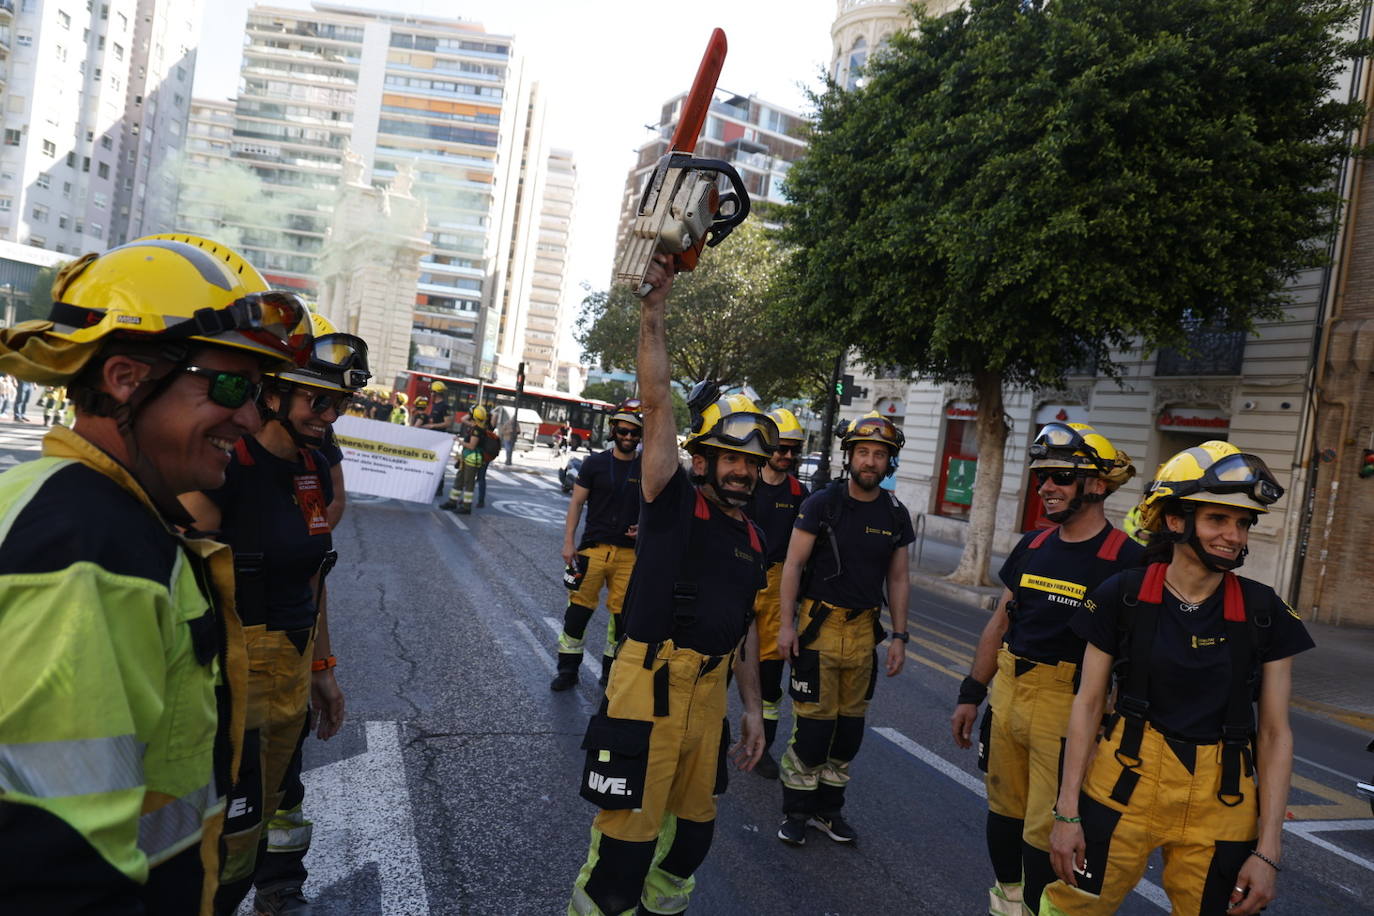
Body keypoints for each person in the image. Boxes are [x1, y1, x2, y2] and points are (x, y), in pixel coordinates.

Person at [0, 234, 310, 911]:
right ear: (125, 379)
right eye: (232, 385)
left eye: (259, 392)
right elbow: (56, 864)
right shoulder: (93, 552)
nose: (251, 417)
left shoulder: (80, 513)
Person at [569, 255, 767, 916]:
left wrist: (753, 710)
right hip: (648, 686)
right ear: (703, 458)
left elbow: (744, 632)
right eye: (731, 459)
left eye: (753, 464)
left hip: (709, 697)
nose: (742, 473)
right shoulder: (672, 497)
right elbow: (657, 401)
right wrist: (653, 312)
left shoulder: (753, 537)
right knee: (623, 853)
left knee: (691, 843)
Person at [1043, 441, 1311, 914]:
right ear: (1174, 520)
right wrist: (1066, 814)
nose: (1235, 535)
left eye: (1244, 523)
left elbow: (1274, 732)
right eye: (1219, 519)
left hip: (1223, 804)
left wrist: (1268, 851)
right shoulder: (1121, 595)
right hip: (1121, 784)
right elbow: (1087, 704)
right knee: (1070, 909)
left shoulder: (1266, 611)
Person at [180, 311, 367, 915]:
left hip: (289, 664)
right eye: (315, 400)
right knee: (224, 845)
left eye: (335, 406)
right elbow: (176, 571)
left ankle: (266, 886)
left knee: (266, 816)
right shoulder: (228, 465)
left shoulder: (311, 470)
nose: (326, 416)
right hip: (232, 676)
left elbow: (313, 572)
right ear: (274, 392)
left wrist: (323, 666)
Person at [948, 422, 1141, 915]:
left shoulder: (1127, 562)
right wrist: (972, 691)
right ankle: (1007, 903)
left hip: (1067, 707)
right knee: (1003, 812)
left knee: (1045, 827)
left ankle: (1034, 908)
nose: (1046, 488)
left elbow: (1137, 657)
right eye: (1042, 478)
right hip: (1009, 692)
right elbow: (1000, 621)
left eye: (1059, 477)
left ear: (1096, 484)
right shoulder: (1033, 545)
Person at [774, 413, 913, 847]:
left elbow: (899, 579)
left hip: (863, 634)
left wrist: (901, 637)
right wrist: (785, 625)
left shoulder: (895, 514)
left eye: (879, 454)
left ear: (888, 463)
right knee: (813, 731)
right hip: (819, 629)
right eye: (863, 452)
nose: (870, 461)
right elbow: (793, 565)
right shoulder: (822, 505)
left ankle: (828, 811)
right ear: (849, 456)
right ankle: (797, 812)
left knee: (848, 732)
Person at [550, 398, 644, 692]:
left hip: (629, 556)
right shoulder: (595, 463)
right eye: (623, 431)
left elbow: (660, 508)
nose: (628, 437)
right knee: (577, 612)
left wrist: (645, 528)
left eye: (634, 433)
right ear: (613, 430)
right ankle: (567, 671)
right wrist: (569, 543)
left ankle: (610, 674)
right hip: (591, 551)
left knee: (621, 620)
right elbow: (576, 503)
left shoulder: (647, 469)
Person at [746, 406, 810, 779]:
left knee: (770, 679)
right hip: (737, 578)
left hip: (775, 587)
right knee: (717, 663)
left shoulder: (802, 495)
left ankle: (762, 750)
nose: (786, 456)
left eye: (792, 450)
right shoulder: (745, 481)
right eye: (781, 448)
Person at [439, 404, 488, 514]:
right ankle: (452, 502)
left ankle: (466, 507)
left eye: (471, 414)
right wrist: (474, 410)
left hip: (471, 460)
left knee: (468, 483)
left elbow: (471, 446)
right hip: (466, 459)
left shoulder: (477, 430)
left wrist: (458, 441)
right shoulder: (478, 426)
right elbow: (463, 419)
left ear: (474, 416)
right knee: (459, 480)